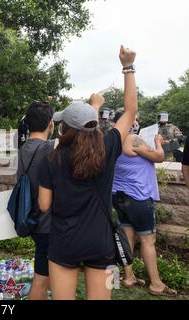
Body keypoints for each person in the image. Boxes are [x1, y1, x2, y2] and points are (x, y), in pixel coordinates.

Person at [37, 46, 138, 300]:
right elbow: (130, 112)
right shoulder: (108, 146)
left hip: (64, 241)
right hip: (101, 242)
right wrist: (128, 67)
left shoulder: (52, 158)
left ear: (65, 129)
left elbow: (44, 205)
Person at [111, 111, 177, 296]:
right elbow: (159, 157)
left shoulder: (111, 141)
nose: (136, 123)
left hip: (118, 196)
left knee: (128, 237)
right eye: (134, 119)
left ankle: (128, 277)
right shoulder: (133, 139)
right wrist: (157, 143)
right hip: (138, 197)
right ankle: (156, 284)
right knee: (148, 240)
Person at [17, 101, 56, 300]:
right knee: (42, 276)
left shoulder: (24, 148)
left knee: (45, 268)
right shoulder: (50, 148)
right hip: (47, 221)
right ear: (51, 123)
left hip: (30, 218)